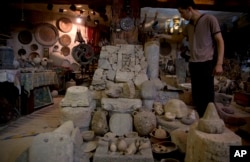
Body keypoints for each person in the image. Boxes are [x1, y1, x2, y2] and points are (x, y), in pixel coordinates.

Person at [155, 0, 224, 117]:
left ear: (189, 9)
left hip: (207, 63)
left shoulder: (209, 19)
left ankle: (210, 121)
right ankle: (200, 121)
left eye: (182, 12)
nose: (181, 16)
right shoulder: (188, 27)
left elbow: (220, 41)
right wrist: (161, 35)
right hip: (193, 64)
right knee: (197, 96)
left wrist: (219, 63)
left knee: (207, 96)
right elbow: (177, 38)